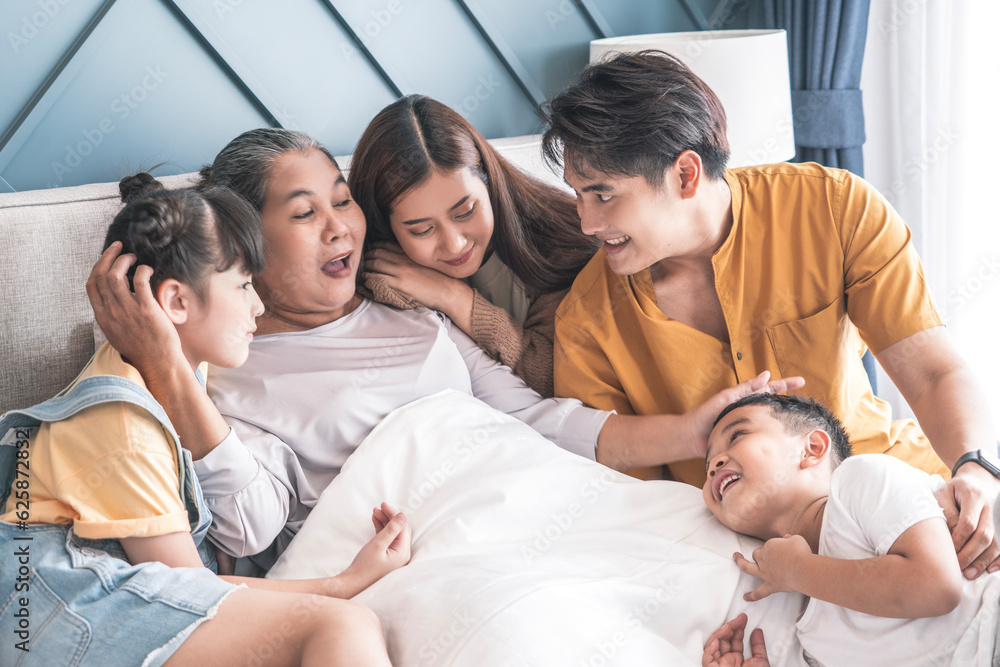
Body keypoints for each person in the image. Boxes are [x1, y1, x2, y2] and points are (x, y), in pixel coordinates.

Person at [87, 128, 803, 571]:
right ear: (246, 238)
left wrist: (696, 428)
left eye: (342, 199)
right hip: (424, 561)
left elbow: (545, 421)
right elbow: (249, 527)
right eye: (306, 213)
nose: (340, 225)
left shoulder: (416, 318)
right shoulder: (232, 373)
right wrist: (169, 368)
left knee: (733, 563)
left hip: (539, 509)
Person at [542, 50, 1000, 577]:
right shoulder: (585, 321)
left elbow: (932, 370)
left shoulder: (835, 208)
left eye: (603, 194)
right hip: (736, 555)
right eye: (578, 196)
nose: (585, 223)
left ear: (686, 174)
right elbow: (626, 500)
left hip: (899, 484)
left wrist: (977, 468)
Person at [0, 175, 410, 667]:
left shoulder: (181, 364)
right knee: (344, 621)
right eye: (242, 285)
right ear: (175, 302)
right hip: (58, 607)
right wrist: (344, 582)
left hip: (82, 594)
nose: (258, 305)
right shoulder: (125, 425)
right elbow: (191, 591)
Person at [700, 393, 1000, 667]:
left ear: (812, 449)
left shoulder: (860, 481)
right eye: (707, 467)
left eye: (737, 435)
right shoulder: (810, 635)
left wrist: (797, 570)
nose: (715, 464)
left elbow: (938, 587)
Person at [349, 94, 598, 396]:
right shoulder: (379, 270)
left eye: (465, 212)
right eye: (423, 230)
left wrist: (454, 298)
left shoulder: (559, 241)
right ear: (386, 227)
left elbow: (559, 377)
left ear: (490, 184)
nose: (454, 245)